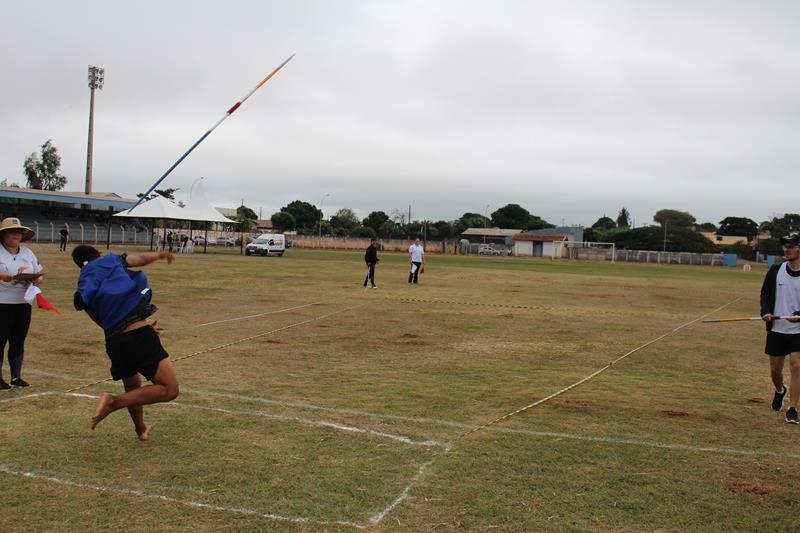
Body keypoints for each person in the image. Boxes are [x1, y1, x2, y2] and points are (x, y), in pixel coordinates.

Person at [72, 245, 179, 440]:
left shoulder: (84, 285)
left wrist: (141, 326)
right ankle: (113, 402)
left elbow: (100, 320)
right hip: (137, 337)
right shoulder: (111, 261)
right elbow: (139, 259)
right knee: (169, 389)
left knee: (133, 388)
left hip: (114, 342)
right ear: (98, 254)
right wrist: (160, 254)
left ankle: (140, 429)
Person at [761, 234, 800, 424]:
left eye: (791, 247)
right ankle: (779, 390)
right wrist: (766, 312)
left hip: (798, 330)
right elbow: (765, 294)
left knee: (797, 365)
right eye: (785, 247)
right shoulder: (776, 270)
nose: (786, 250)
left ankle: (792, 408)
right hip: (777, 328)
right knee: (775, 369)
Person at [0, 218, 42, 390]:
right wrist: (3, 276)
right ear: (3, 234)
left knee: (18, 339)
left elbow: (39, 272)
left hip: (23, 302)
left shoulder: (27, 252)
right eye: (11, 231)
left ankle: (16, 377)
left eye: (18, 232)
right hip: (2, 302)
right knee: (0, 340)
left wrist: (37, 279)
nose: (16, 235)